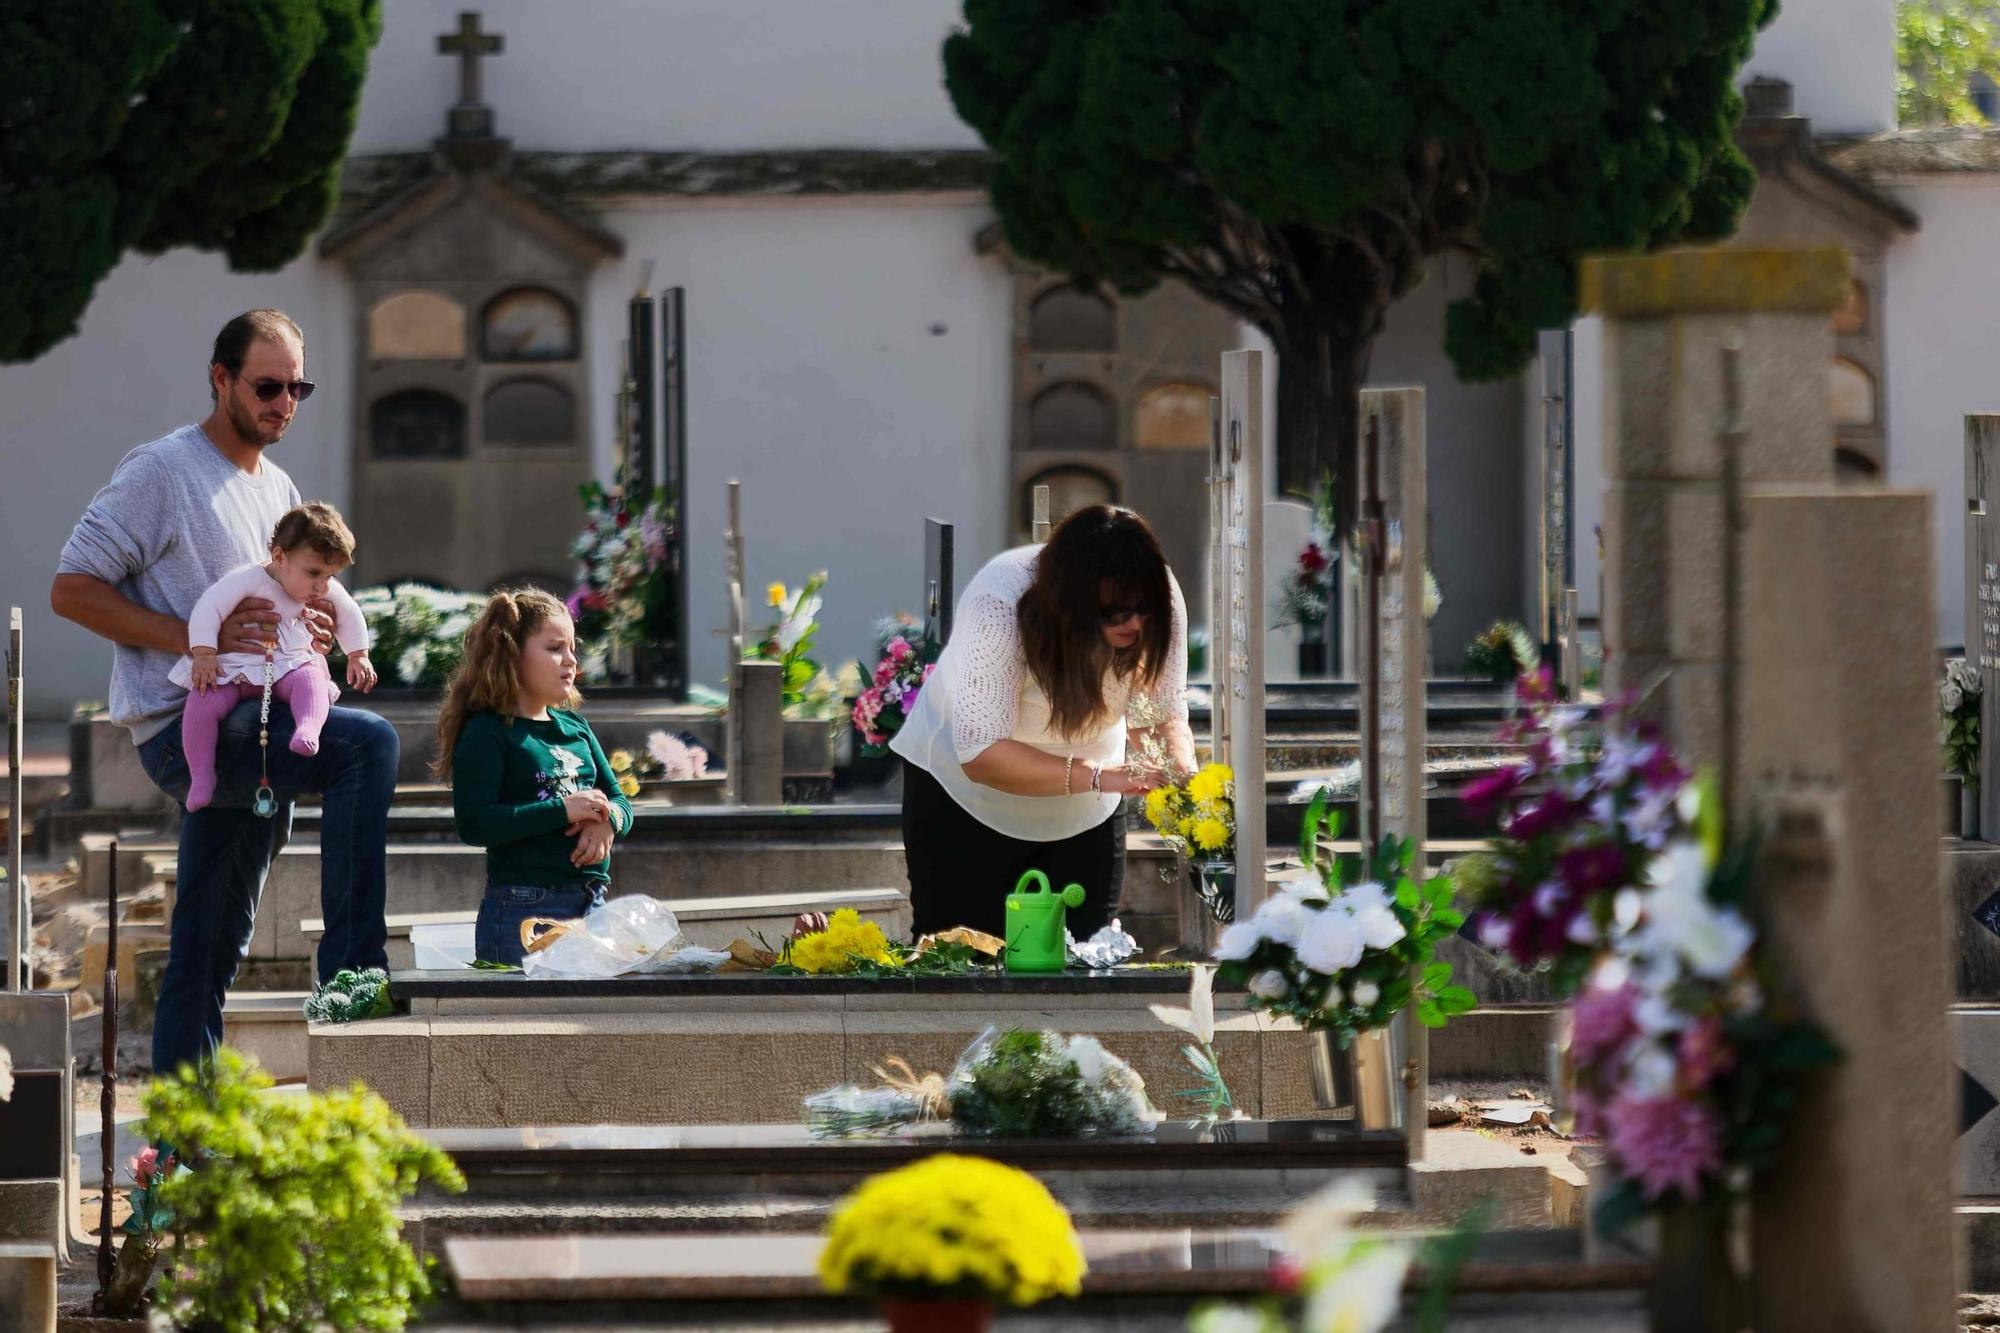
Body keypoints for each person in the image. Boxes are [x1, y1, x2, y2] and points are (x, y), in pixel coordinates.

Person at [51, 309, 400, 1076]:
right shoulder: (162, 471)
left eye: (298, 388)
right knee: (368, 744)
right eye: (268, 386)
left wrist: (314, 624)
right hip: (192, 724)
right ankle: (352, 971)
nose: (284, 403)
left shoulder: (279, 489)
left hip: (260, 720)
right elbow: (71, 590)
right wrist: (196, 638)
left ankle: (183, 1126)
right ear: (221, 379)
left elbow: (287, 598)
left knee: (209, 941)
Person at [890, 505, 1198, 940]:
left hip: (1087, 807)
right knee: (963, 960)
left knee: (1088, 953)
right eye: (1115, 612)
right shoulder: (999, 599)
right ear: (1073, 603)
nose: (1134, 623)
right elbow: (981, 753)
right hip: (964, 802)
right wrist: (1102, 776)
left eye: (1143, 609)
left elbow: (1160, 713)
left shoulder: (1159, 598)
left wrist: (1184, 776)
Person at [434, 588, 632, 967]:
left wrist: (610, 823)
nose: (570, 660)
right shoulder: (488, 732)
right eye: (555, 648)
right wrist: (563, 810)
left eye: (572, 648)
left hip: (593, 903)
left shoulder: (575, 727)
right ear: (511, 654)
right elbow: (475, 823)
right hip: (522, 910)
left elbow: (619, 800)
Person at [175, 503, 377, 812]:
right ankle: (201, 775)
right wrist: (204, 653)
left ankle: (308, 730)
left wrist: (358, 654)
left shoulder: (322, 588)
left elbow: (349, 612)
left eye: (330, 576)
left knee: (311, 680)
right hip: (239, 666)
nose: (322, 586)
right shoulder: (248, 579)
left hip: (288, 664)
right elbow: (209, 607)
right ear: (280, 557)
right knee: (201, 701)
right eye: (314, 573)